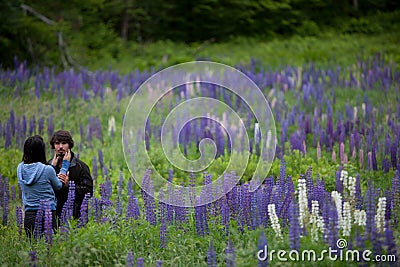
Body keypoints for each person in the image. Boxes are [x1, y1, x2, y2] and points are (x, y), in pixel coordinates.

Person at [17, 135, 70, 238]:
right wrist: (65, 166)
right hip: (48, 215)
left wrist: (51, 167)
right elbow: (58, 186)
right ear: (41, 151)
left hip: (29, 216)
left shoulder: (20, 168)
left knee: (33, 248)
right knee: (49, 248)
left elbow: (38, 175)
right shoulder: (47, 170)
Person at [49, 130, 93, 220]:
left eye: (64, 143)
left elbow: (88, 191)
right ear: (53, 146)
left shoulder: (80, 167)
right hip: (52, 218)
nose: (60, 147)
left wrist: (69, 186)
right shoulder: (48, 166)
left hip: (75, 217)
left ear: (69, 145)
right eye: (57, 143)